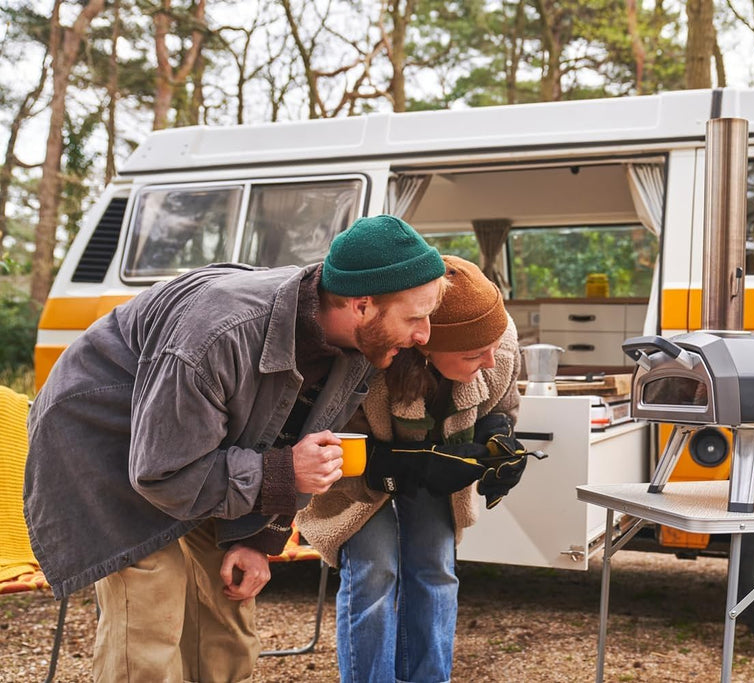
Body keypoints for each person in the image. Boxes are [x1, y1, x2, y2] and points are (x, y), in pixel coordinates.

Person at [23, 214, 447, 682]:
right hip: (104, 441)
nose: (424, 335)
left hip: (201, 451)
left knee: (228, 621)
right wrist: (283, 472)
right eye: (415, 318)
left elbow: (290, 439)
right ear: (361, 305)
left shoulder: (360, 344)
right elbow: (164, 473)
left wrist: (256, 540)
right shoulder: (219, 334)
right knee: (151, 612)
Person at [297, 255, 541, 683]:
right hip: (357, 476)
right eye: (473, 354)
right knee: (375, 569)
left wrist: (498, 435)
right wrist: (407, 465)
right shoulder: (369, 360)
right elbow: (336, 441)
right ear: (423, 342)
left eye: (493, 346)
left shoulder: (497, 345)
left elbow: (502, 404)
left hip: (434, 470)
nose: (490, 360)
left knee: (435, 565)